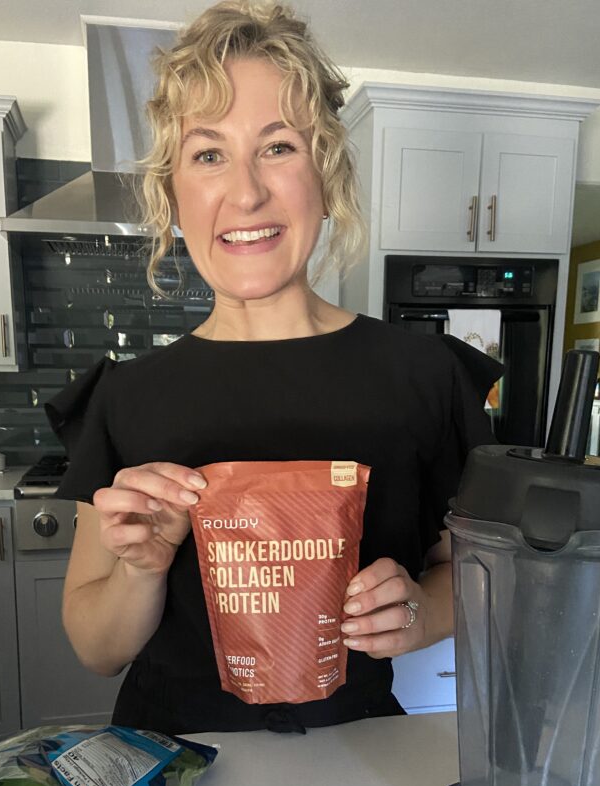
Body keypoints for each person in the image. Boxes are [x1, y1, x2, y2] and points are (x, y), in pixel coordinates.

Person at [46, 0, 501, 735]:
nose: (247, 191)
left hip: (358, 757)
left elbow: (478, 579)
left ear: (326, 172)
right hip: (176, 763)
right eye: (208, 153)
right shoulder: (128, 399)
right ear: (173, 194)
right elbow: (96, 649)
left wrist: (422, 614)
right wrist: (140, 567)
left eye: (279, 146)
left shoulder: (422, 375)